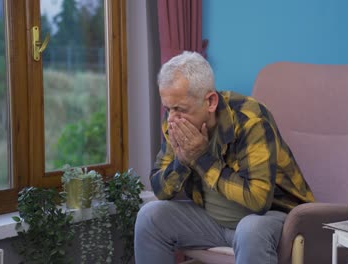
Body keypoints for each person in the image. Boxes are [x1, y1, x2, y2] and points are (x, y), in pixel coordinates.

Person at [134, 51, 314, 264]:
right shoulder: (175, 120)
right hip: (212, 222)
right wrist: (182, 161)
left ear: (210, 101)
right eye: (168, 108)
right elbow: (161, 190)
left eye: (179, 109)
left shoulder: (250, 121)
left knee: (250, 229)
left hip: (273, 219)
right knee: (150, 216)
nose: (172, 118)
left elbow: (258, 201)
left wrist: (201, 158)